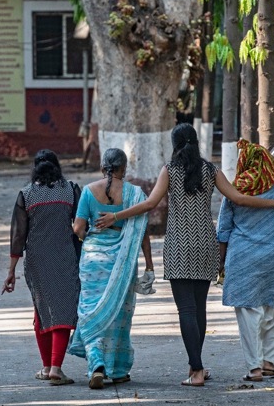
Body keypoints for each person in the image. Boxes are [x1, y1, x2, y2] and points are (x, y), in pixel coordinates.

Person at [95, 123, 274, 387]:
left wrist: (116, 216)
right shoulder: (211, 170)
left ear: (175, 144)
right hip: (205, 245)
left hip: (178, 246)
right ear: (197, 142)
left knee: (186, 310)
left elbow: (150, 203)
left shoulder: (170, 170)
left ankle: (197, 370)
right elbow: (238, 198)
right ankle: (195, 365)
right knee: (198, 310)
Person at [67, 148, 155, 390]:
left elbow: (78, 229)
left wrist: (88, 239)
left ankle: (96, 363)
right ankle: (117, 370)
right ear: (124, 168)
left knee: (90, 309)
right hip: (123, 261)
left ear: (103, 166)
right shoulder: (135, 194)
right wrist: (149, 264)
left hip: (93, 259)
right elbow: (143, 233)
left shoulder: (87, 191)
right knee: (119, 314)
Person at [217, 139, 274, 382]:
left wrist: (220, 262)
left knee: (249, 314)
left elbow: (223, 231)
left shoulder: (234, 190)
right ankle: (270, 363)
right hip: (273, 257)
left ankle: (254, 368)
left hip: (243, 259)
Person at [1, 149, 81, 386]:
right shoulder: (71, 190)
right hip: (65, 257)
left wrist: (11, 270)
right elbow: (80, 225)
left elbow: (18, 235)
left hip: (36, 260)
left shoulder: (26, 195)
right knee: (63, 310)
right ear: (58, 167)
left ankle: (47, 367)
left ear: (35, 168)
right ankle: (56, 368)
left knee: (42, 310)